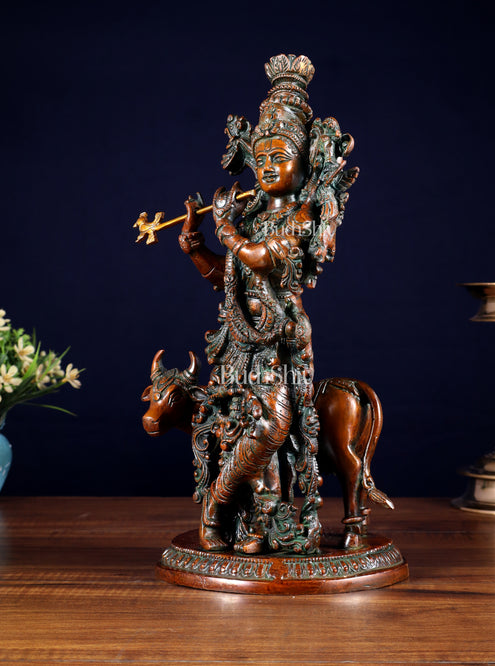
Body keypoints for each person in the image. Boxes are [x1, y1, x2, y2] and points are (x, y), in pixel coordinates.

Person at [178, 54, 357, 554]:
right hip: (238, 344)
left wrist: (225, 229)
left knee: (274, 427)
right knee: (237, 431)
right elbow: (228, 275)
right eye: (261, 156)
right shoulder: (251, 219)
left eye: (281, 154)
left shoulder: (301, 217)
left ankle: (217, 507)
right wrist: (197, 248)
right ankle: (253, 521)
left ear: (306, 163)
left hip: (280, 343)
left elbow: (261, 259)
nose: (268, 165)